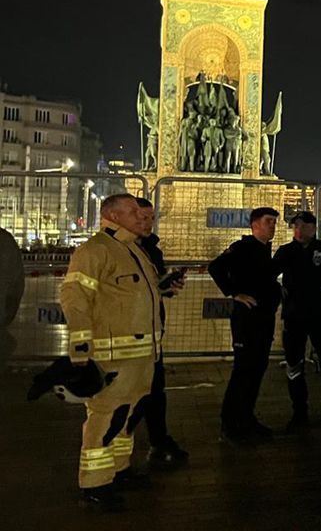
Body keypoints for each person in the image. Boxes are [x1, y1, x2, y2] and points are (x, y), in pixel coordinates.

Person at [59, 193, 163, 511]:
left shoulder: (132, 249)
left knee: (128, 417)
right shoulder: (95, 250)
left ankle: (119, 469)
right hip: (113, 355)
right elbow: (75, 298)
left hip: (141, 355)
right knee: (105, 419)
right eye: (134, 212)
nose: (142, 216)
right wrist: (80, 349)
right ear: (114, 216)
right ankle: (95, 485)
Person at [210, 207, 282, 443]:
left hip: (263, 319)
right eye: (268, 221)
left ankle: (247, 418)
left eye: (274, 222)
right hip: (247, 321)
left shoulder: (264, 250)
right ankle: (230, 424)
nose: (273, 226)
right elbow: (216, 267)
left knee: (257, 370)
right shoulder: (243, 247)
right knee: (243, 372)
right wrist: (234, 293)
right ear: (255, 224)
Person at [274, 211, 321, 428]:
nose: (299, 230)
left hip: (320, 316)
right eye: (296, 226)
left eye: (304, 226)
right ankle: (299, 413)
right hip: (294, 316)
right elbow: (268, 274)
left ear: (314, 228)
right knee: (294, 365)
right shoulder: (285, 251)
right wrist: (278, 289)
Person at [133, 197, 189, 467]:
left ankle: (158, 440)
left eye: (151, 218)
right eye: (141, 217)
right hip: (126, 334)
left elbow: (152, 288)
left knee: (156, 390)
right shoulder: (115, 250)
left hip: (153, 330)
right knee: (129, 395)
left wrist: (167, 287)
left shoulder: (152, 249)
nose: (147, 223)